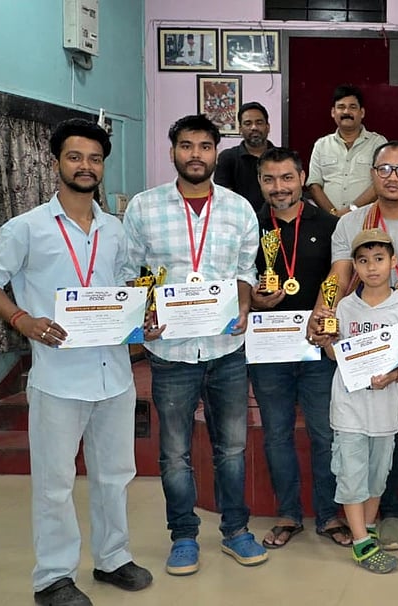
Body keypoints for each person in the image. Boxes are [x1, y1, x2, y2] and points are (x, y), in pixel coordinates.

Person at [0, 119, 153, 606]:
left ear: (102, 167)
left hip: (114, 376)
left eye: (95, 159)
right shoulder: (27, 227)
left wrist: (142, 321)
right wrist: (22, 319)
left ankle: (113, 559)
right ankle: (52, 577)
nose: (85, 166)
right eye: (75, 157)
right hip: (57, 378)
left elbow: (123, 293)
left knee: (115, 475)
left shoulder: (115, 229)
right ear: (56, 163)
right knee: (54, 483)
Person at [121, 114, 265, 576]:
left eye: (205, 146)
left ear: (215, 152)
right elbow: (133, 271)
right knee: (175, 453)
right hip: (171, 354)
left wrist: (243, 307)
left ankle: (236, 531)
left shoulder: (239, 208)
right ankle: (183, 536)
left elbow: (246, 272)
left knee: (232, 449)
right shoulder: (144, 208)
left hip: (226, 348)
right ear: (173, 152)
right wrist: (144, 313)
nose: (196, 155)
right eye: (187, 146)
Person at [310, 140, 398, 554]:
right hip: (365, 354)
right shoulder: (350, 226)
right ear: (372, 175)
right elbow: (336, 279)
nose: (393, 177)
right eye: (385, 169)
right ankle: (386, 513)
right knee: (377, 435)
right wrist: (320, 316)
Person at [246, 147, 350, 549]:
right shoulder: (249, 224)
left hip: (317, 347)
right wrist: (253, 298)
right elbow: (241, 279)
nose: (279, 187)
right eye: (270, 179)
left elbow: (341, 274)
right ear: (260, 182)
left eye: (287, 178)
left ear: (302, 177)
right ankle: (289, 513)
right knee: (276, 434)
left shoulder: (328, 224)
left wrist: (325, 309)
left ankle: (328, 514)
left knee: (326, 433)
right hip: (268, 350)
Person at [315, 228, 398, 574]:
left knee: (377, 475)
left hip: (386, 409)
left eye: (379, 259)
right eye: (363, 261)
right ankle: (360, 543)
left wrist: (391, 375)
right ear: (354, 267)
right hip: (349, 408)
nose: (372, 268)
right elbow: (334, 354)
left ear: (393, 262)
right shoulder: (344, 306)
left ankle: (368, 527)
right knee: (351, 473)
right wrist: (327, 341)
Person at [306, 85, 388, 216]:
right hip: (328, 219)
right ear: (333, 112)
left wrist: (351, 210)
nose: (346, 112)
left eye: (352, 107)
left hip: (366, 218)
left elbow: (381, 182)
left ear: (362, 112)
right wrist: (333, 213)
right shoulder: (321, 145)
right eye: (341, 107)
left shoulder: (378, 143)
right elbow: (314, 185)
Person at [215, 101, 275, 211]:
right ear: (240, 129)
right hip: (240, 221)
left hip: (276, 222)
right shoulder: (227, 158)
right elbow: (223, 199)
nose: (254, 127)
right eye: (248, 123)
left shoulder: (282, 157)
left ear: (268, 127)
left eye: (259, 122)